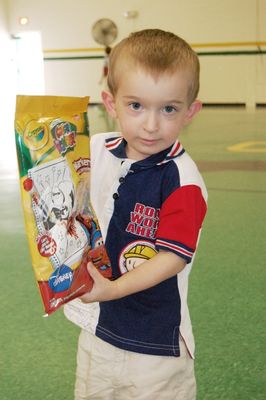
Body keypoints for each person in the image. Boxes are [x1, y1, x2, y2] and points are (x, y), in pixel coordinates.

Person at [67, 28, 208, 400]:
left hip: (156, 346)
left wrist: (111, 289)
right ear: (110, 104)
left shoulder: (182, 180)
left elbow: (173, 258)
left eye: (169, 109)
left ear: (190, 111)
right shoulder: (96, 149)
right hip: (98, 330)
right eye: (136, 106)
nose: (150, 124)